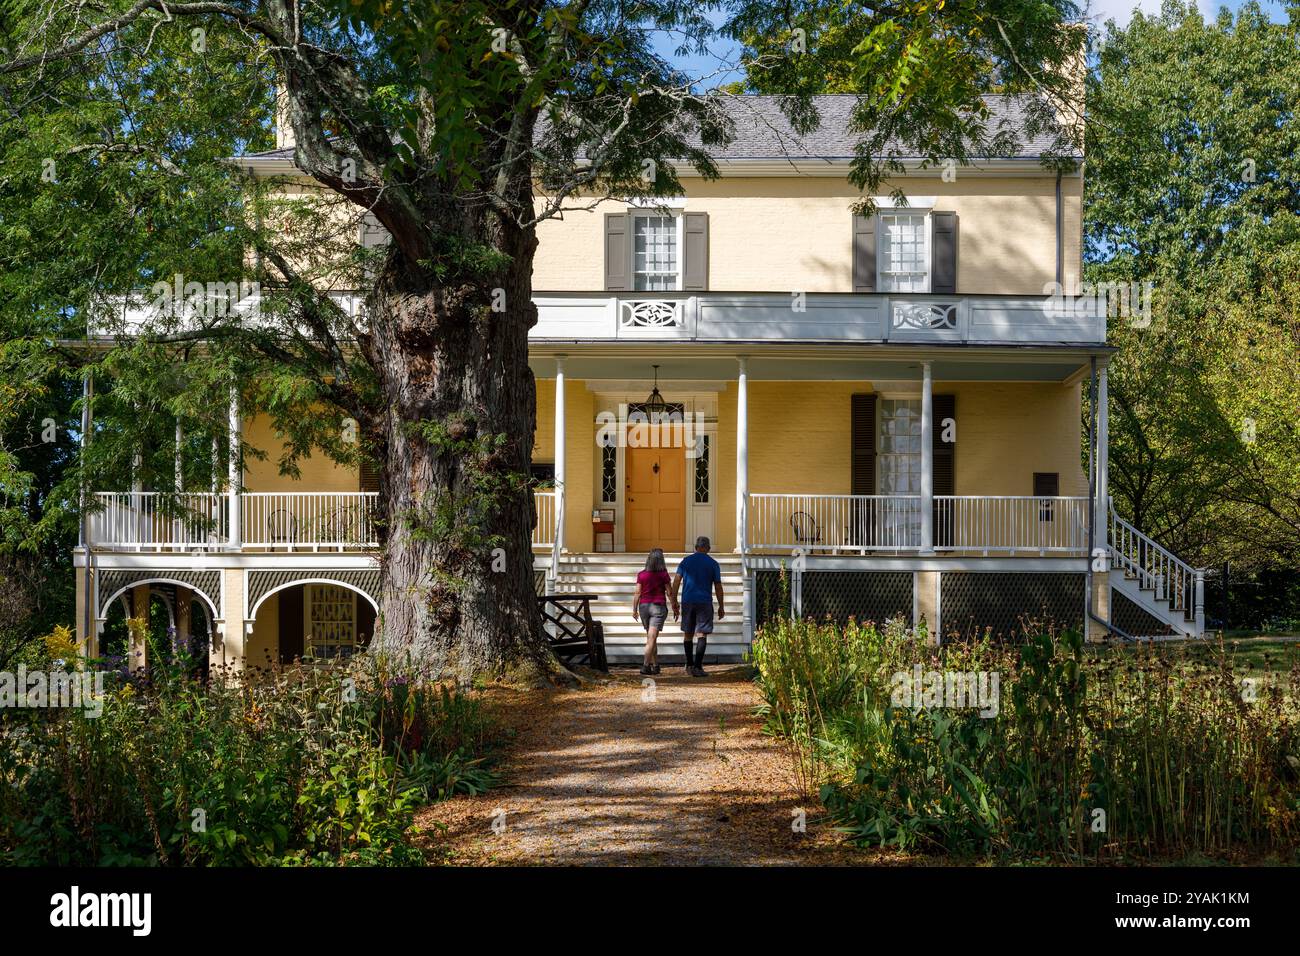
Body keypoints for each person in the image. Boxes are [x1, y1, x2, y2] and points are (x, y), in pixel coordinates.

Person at [671, 536, 724, 677]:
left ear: (696, 547)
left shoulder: (686, 561)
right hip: (704, 602)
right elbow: (718, 586)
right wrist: (721, 605)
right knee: (701, 634)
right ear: (708, 548)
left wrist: (674, 600)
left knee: (688, 634)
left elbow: (676, 581)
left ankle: (689, 665)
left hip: (688, 601)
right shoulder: (713, 563)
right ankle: (698, 667)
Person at [632, 548, 675, 675]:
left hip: (644, 607)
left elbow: (637, 593)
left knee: (651, 637)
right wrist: (675, 606)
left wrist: (634, 609)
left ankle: (656, 665)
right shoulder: (663, 574)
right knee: (652, 637)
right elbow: (669, 592)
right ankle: (645, 666)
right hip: (658, 607)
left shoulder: (641, 574)